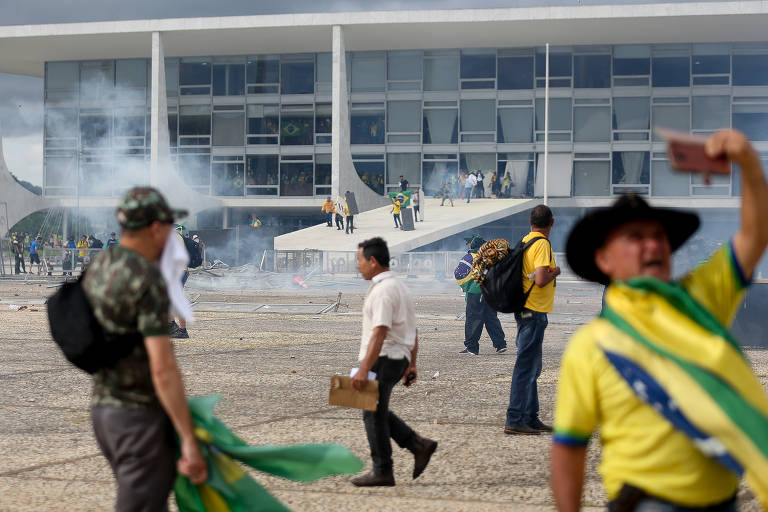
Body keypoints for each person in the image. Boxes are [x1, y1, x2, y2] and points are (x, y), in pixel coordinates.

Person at [551, 130, 768, 511]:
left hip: (724, 502)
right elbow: (569, 447)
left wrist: (749, 163)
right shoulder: (591, 345)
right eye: (635, 237)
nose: (652, 244)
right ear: (603, 259)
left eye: (658, 236)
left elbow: (755, 235)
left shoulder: (698, 300)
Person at [83, 187, 207, 510]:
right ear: (154, 228)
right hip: (136, 414)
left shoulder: (101, 267)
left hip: (102, 408)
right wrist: (188, 437)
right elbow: (162, 368)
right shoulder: (146, 278)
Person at [351, 237, 437, 487]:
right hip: (398, 358)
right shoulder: (399, 286)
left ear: (373, 261)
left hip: (384, 358)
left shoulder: (383, 290)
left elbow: (379, 332)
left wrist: (364, 369)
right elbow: (412, 330)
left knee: (372, 415)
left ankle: (383, 471)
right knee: (376, 410)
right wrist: (412, 364)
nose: (357, 265)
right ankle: (418, 445)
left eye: (359, 260)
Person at [505, 204, 560, 435]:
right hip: (534, 311)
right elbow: (540, 279)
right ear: (551, 223)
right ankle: (515, 418)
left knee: (532, 367)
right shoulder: (542, 244)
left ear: (531, 222)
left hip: (524, 310)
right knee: (526, 366)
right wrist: (556, 272)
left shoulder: (525, 240)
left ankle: (530, 416)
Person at [455, 235, 507, 355]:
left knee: (473, 319)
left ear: (472, 245)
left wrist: (466, 287)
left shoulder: (471, 257)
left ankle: (472, 348)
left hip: (476, 292)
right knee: (491, 318)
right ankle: (500, 344)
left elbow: (459, 273)